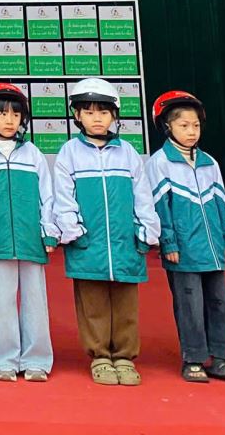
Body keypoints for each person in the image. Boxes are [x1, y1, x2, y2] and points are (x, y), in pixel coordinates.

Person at [53, 77, 161, 387]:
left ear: (115, 115)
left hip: (125, 242)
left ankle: (125, 356)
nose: (96, 118)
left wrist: (145, 230)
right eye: (88, 112)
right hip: (89, 243)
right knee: (93, 303)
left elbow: (143, 195)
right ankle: (100, 355)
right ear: (77, 116)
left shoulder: (128, 152)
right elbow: (64, 197)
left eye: (103, 112)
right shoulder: (69, 153)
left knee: (126, 302)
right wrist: (74, 230)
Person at [144, 90, 225, 384]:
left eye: (195, 125)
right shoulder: (160, 162)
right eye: (183, 125)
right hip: (182, 250)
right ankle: (194, 358)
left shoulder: (209, 162)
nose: (191, 131)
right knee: (190, 306)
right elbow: (159, 206)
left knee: (220, 303)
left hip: (212, 248)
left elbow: (222, 202)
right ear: (167, 126)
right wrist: (168, 241)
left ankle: (223, 357)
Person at [0, 83, 57, 382]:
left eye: (16, 114)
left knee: (35, 301)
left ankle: (37, 360)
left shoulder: (33, 154)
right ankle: (4, 360)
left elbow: (47, 196)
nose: (9, 120)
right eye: (2, 113)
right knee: (1, 302)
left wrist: (48, 232)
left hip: (31, 240)